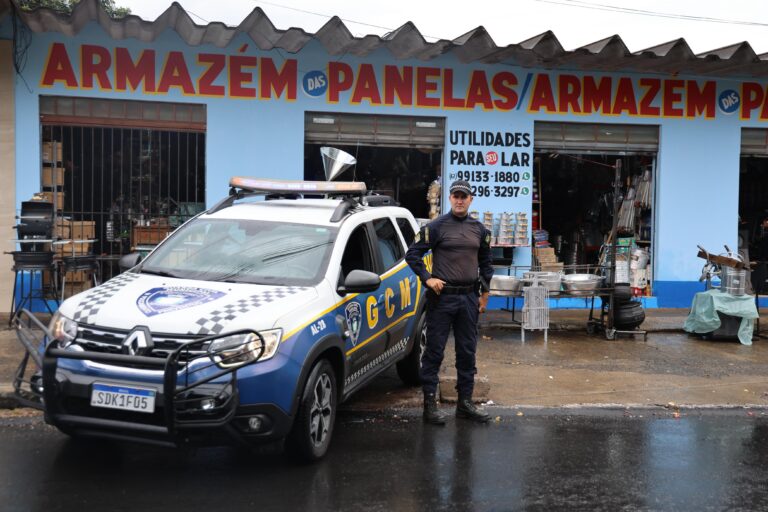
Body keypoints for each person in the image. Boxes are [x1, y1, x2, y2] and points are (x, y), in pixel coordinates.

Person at [405, 179, 494, 425]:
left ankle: (465, 403)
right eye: (455, 195)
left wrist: (485, 294)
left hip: (468, 299)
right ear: (450, 198)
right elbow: (412, 254)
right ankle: (429, 406)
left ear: (470, 199)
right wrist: (427, 278)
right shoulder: (436, 227)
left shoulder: (480, 230)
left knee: (467, 352)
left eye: (463, 196)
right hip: (441, 298)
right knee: (434, 352)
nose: (459, 199)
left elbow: (486, 263)